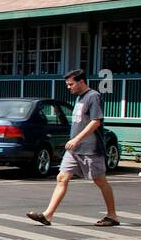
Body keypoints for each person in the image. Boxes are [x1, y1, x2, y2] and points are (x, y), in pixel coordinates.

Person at [27, 69, 119, 227]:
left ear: (81, 82)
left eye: (71, 84)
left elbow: (96, 121)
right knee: (61, 177)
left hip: (91, 148)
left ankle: (112, 215)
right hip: (74, 149)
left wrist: (77, 139)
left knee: (100, 181)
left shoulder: (93, 96)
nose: (68, 87)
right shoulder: (79, 98)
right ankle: (48, 215)